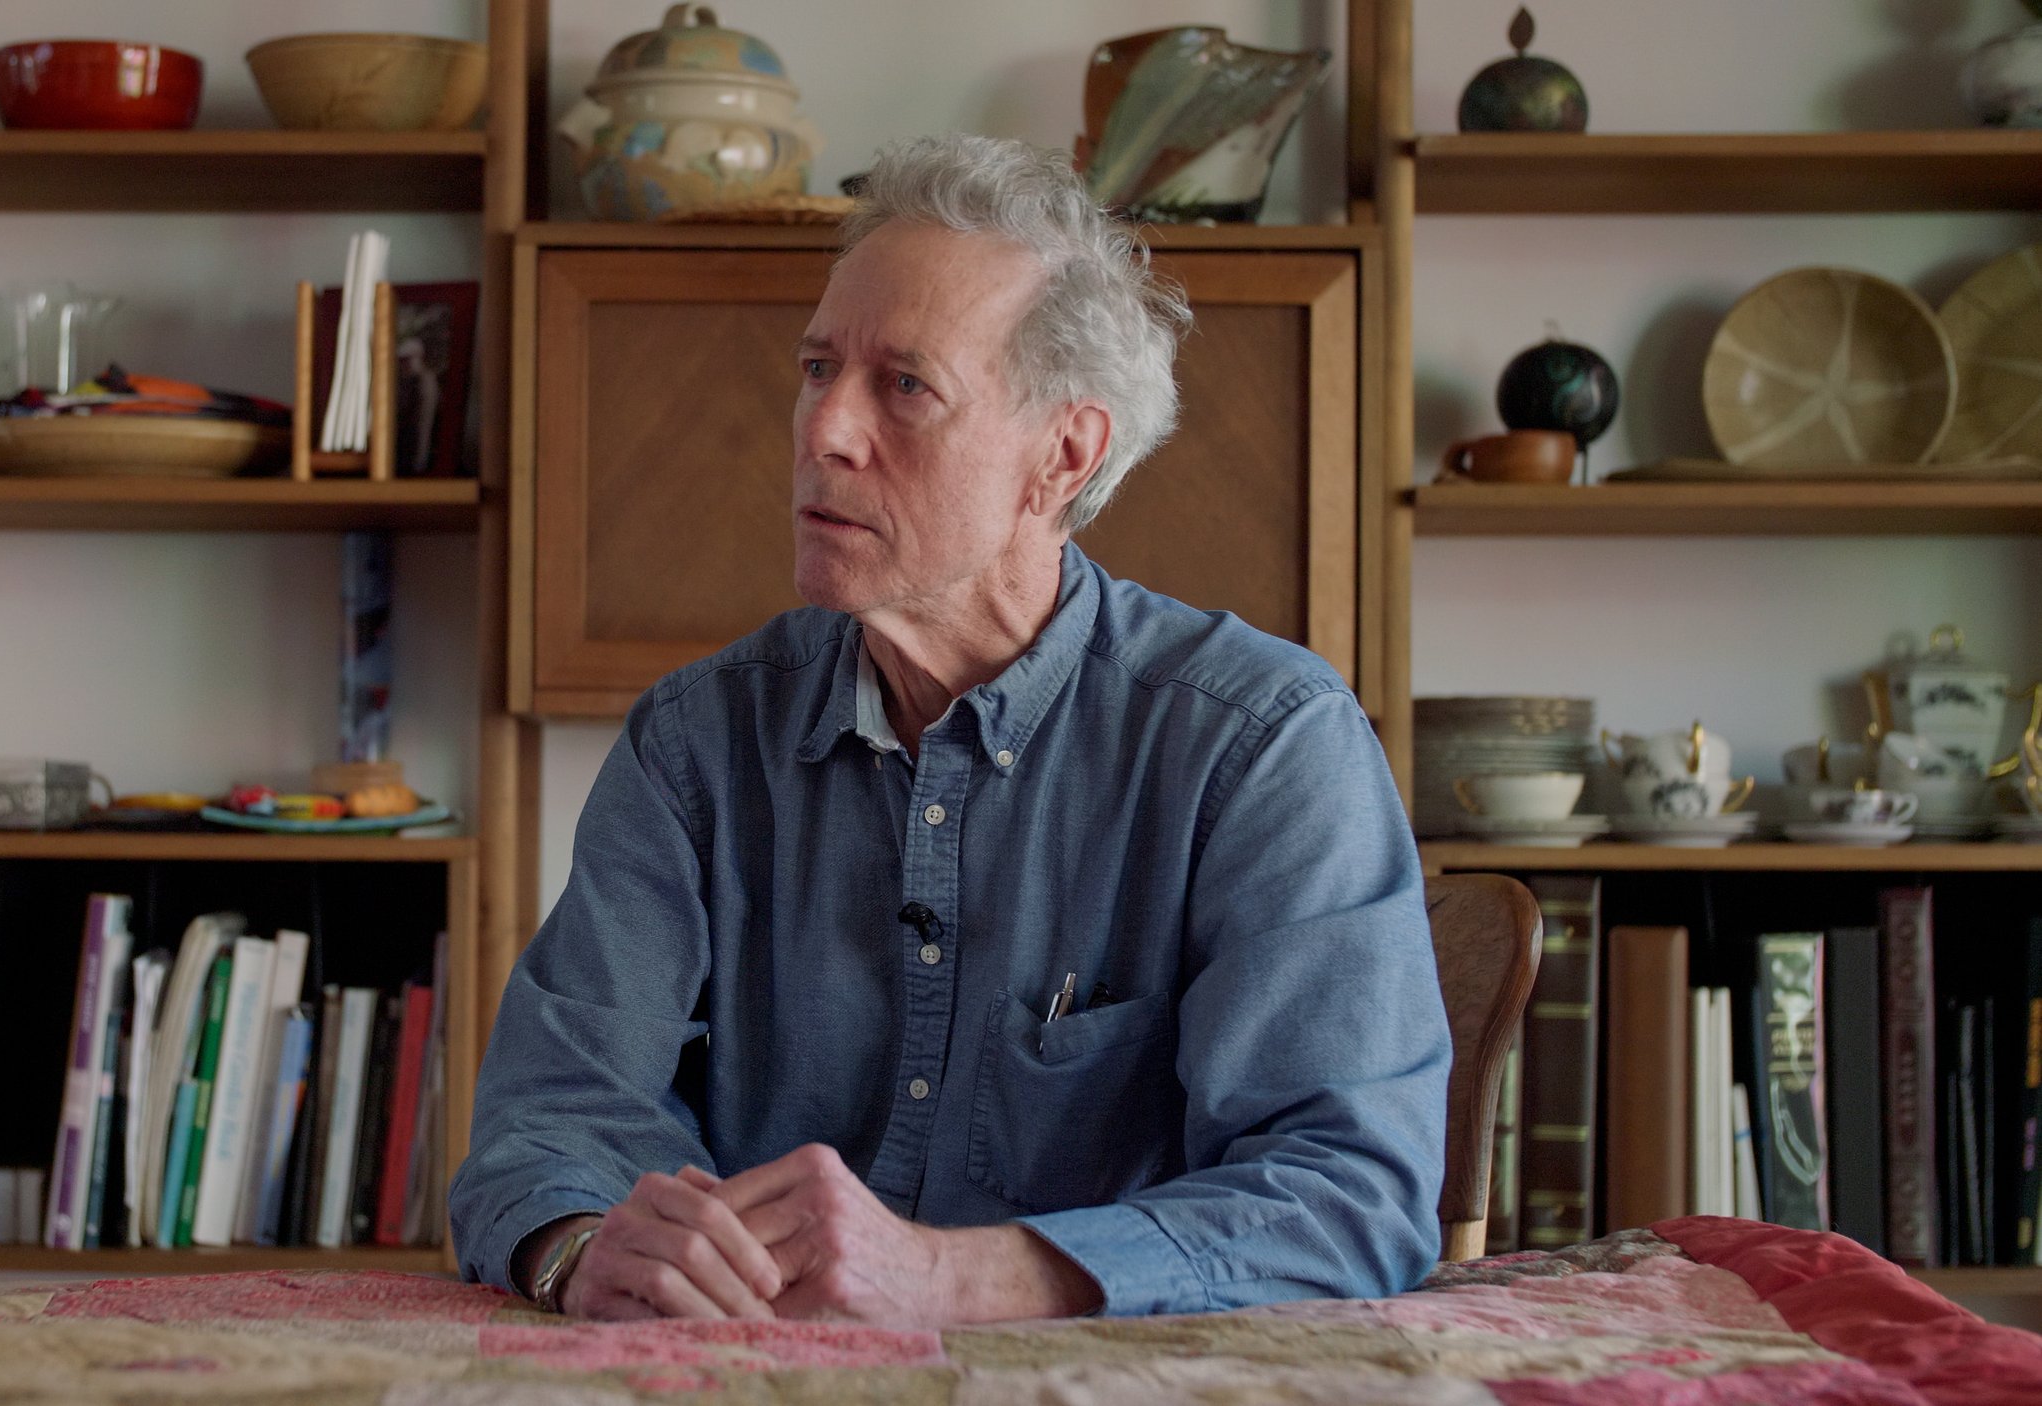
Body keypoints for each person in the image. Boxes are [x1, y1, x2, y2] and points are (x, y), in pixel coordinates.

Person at [449, 133, 1450, 1326]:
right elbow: (545, 1118)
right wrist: (578, 1249)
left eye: (904, 385)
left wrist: (945, 1278)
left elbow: (1349, 1194)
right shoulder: (693, 744)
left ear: (1061, 456)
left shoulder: (1263, 746)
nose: (824, 428)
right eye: (818, 367)